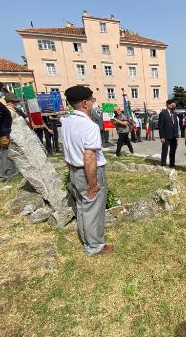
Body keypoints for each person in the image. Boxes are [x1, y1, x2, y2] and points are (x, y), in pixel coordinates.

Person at [61, 85, 113, 256]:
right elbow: (89, 156)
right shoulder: (89, 126)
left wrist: (71, 169)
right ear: (85, 103)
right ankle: (94, 246)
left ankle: (87, 239)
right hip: (89, 171)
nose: (94, 103)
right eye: (92, 100)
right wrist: (92, 182)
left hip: (74, 170)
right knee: (93, 208)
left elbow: (67, 148)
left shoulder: (67, 122)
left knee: (83, 207)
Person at [158, 99, 179, 167]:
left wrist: (177, 135)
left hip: (174, 136)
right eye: (170, 104)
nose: (171, 105)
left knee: (173, 151)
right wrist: (161, 137)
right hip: (166, 136)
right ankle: (163, 164)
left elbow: (176, 125)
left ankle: (172, 164)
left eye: (172, 103)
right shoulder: (163, 113)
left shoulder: (174, 113)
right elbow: (160, 126)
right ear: (167, 105)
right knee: (165, 151)